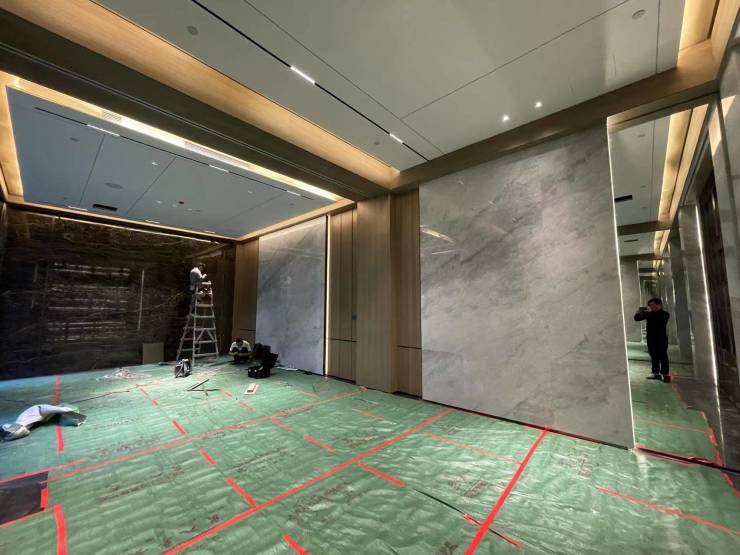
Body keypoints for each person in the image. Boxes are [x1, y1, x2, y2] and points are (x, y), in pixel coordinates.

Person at [634, 298, 671, 382]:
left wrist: (648, 312)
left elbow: (659, 319)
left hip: (661, 339)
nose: (651, 307)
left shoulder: (665, 314)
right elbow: (636, 318)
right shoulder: (649, 314)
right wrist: (639, 311)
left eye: (653, 305)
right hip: (651, 339)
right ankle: (655, 373)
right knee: (653, 356)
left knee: (663, 356)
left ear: (659, 305)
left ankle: (665, 374)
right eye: (650, 306)